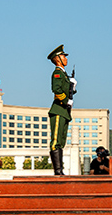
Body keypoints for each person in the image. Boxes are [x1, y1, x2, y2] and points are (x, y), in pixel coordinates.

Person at [47, 44, 77, 175]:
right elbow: (56, 90)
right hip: (59, 109)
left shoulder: (64, 75)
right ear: (57, 58)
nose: (66, 58)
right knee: (56, 141)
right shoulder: (57, 73)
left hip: (64, 111)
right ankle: (57, 170)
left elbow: (65, 90)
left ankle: (60, 170)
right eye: (63, 56)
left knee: (62, 141)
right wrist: (66, 101)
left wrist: (73, 88)